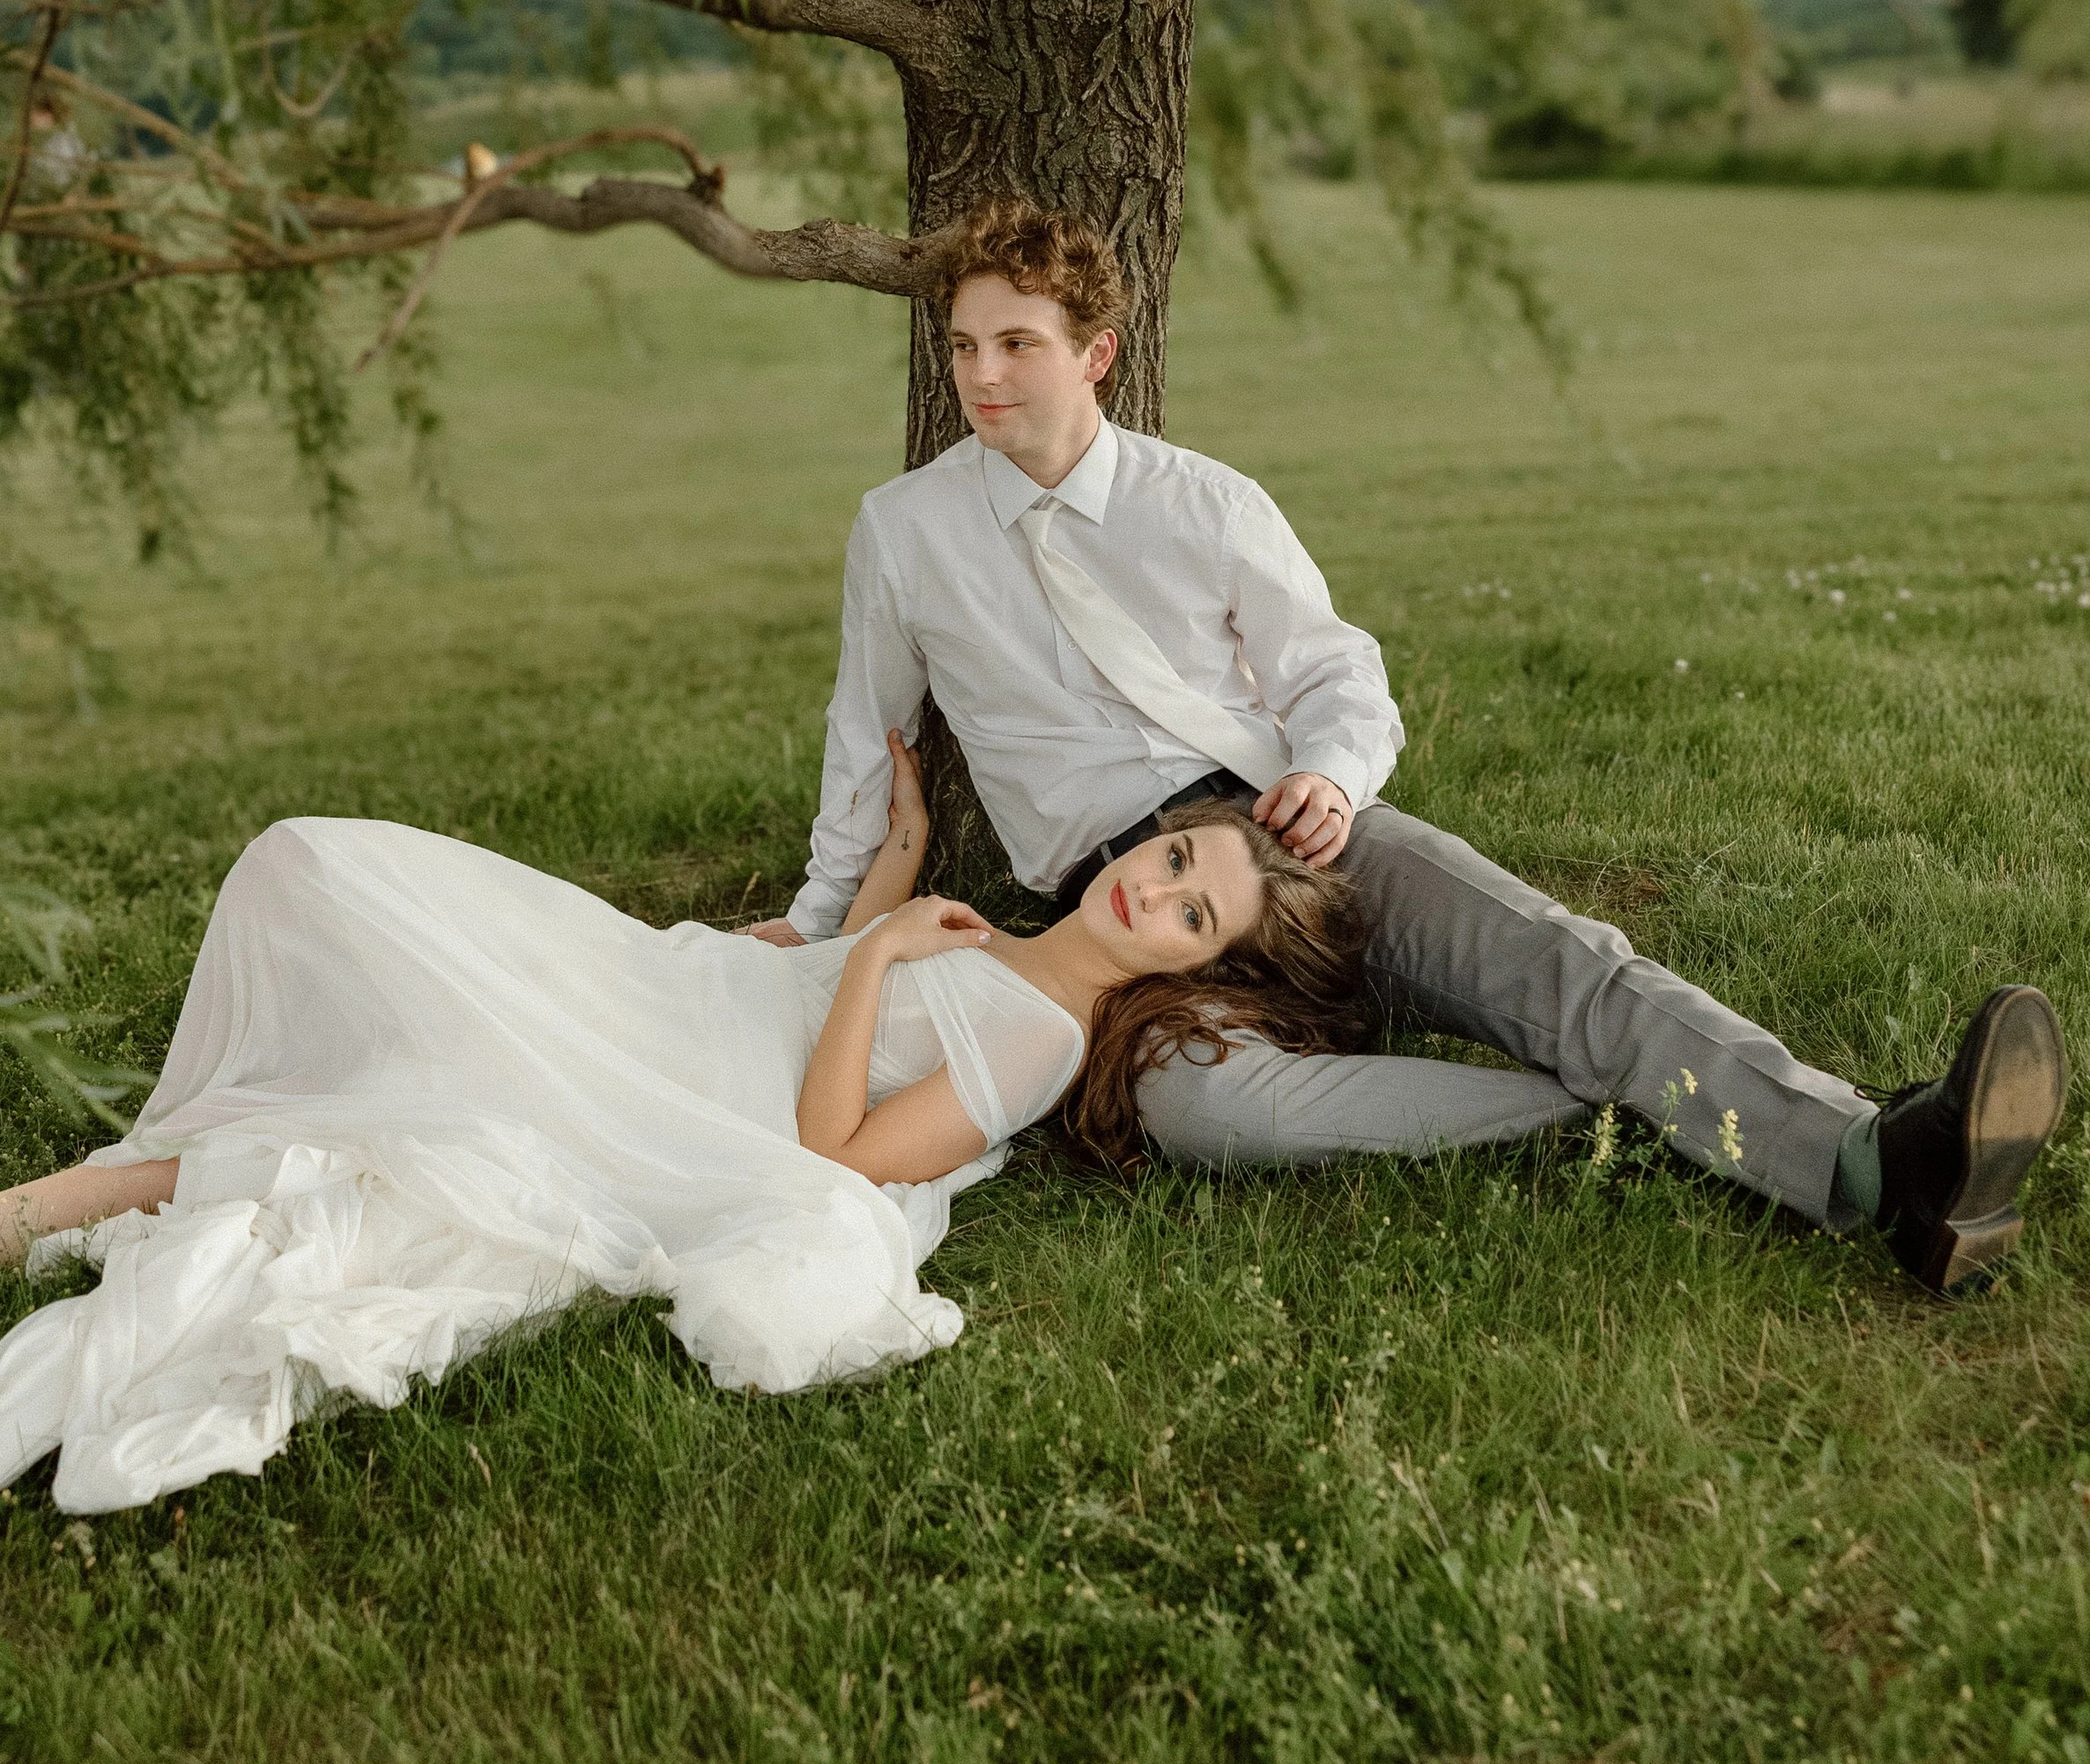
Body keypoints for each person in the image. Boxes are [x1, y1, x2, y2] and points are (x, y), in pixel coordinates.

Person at [752, 194, 2069, 1296]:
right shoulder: (905, 532)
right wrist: (815, 928)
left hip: (1282, 838)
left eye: (1017, 344)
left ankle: (1884, 1161)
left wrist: (1330, 776)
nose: (982, 376)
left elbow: (1338, 673)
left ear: (1095, 353)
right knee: (1212, 1111)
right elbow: (864, 745)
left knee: (1553, 957)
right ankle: (1613, 1113)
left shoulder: (1205, 501)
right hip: (1126, 911)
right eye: (964, 344)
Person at [0, 742, 1365, 1547]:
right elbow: (846, 978)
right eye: (1177, 855)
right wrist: (901, 855)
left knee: (318, 1134)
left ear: (1194, 966)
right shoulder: (1021, 947)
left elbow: (839, 1153)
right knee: (313, 878)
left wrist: (875, 955)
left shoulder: (1043, 1043)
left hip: (690, 1091)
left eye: (1192, 913)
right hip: (686, 994)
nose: (1155, 890)